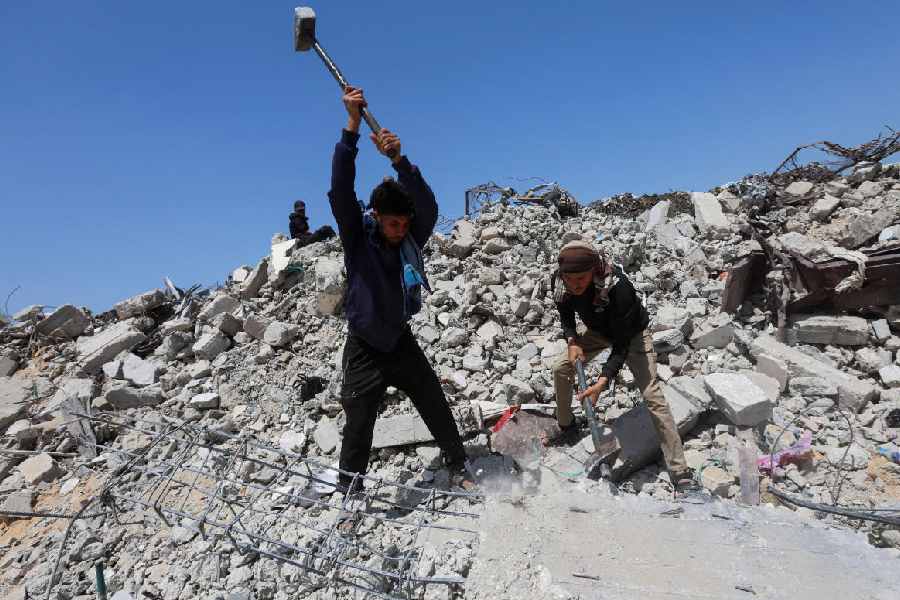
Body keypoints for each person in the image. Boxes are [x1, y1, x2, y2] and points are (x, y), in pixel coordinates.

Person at [328, 85, 472, 493]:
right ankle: (350, 493)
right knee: (359, 422)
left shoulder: (409, 239)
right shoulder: (358, 238)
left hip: (400, 340)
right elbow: (340, 192)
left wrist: (399, 160)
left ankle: (459, 464)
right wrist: (351, 130)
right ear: (377, 216)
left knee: (433, 402)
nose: (401, 231)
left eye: (405, 224)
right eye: (393, 224)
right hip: (364, 348)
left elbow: (428, 207)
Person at [549, 240, 696, 493]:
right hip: (597, 330)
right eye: (569, 279)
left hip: (632, 335)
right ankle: (567, 426)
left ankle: (680, 472)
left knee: (652, 395)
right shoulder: (560, 280)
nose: (575, 285)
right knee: (561, 368)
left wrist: (603, 381)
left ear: (594, 270)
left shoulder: (619, 288)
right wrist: (572, 340)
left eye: (581, 278)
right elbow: (564, 312)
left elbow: (622, 344)